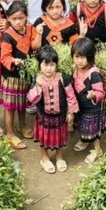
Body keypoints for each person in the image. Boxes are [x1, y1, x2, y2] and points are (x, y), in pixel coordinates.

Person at [28, 45, 77, 174]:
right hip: (44, 117)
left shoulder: (62, 79)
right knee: (43, 139)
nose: (49, 68)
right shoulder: (37, 80)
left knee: (60, 138)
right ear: (39, 65)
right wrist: (38, 87)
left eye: (52, 65)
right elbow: (31, 99)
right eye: (45, 65)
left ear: (56, 65)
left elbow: (71, 96)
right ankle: (44, 159)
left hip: (60, 117)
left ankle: (59, 157)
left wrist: (71, 112)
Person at [0, 0, 38, 148]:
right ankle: (10, 134)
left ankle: (22, 125)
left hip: (25, 75)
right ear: (8, 19)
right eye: (14, 19)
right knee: (10, 107)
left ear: (26, 17)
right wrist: (14, 61)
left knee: (22, 103)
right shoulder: (7, 35)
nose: (17, 22)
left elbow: (34, 46)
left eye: (20, 18)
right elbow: (4, 57)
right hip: (11, 77)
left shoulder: (30, 29)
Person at [70, 37, 106, 163]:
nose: (79, 61)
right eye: (76, 56)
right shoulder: (75, 70)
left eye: (83, 57)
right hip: (80, 107)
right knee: (82, 125)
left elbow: (101, 93)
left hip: (92, 109)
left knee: (93, 130)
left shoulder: (94, 74)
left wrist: (94, 95)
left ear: (90, 57)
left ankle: (97, 150)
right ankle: (84, 140)